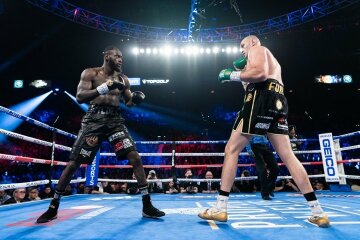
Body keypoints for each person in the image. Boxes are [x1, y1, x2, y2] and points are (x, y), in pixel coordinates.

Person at [198, 35, 330, 227]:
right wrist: (241, 72)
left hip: (261, 97)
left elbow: (259, 75)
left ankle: (220, 208)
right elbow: (255, 79)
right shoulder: (273, 62)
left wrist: (231, 75)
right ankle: (318, 212)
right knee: (287, 155)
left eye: (243, 45)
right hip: (278, 100)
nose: (242, 50)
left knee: (231, 150)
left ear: (252, 42)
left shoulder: (258, 49)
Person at [36, 46, 165, 223]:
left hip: (115, 121)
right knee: (74, 163)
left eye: (122, 57)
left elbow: (128, 102)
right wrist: (103, 88)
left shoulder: (123, 79)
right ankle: (53, 207)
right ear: (106, 56)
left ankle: (147, 205)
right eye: (117, 56)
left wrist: (135, 98)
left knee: (135, 157)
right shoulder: (91, 73)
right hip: (94, 120)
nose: (121, 59)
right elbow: (80, 96)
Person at [246, 135, 279, 200]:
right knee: (262, 170)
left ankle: (269, 188)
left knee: (275, 168)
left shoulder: (267, 124)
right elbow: (247, 136)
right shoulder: (251, 125)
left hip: (265, 146)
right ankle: (265, 194)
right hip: (255, 147)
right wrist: (249, 149)